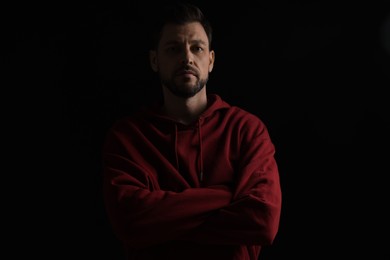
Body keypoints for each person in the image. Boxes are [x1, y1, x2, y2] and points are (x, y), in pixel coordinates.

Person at [101, 2, 282, 259]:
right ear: (155, 60)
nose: (186, 58)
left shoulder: (246, 130)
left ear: (210, 60)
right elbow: (131, 222)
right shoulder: (127, 138)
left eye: (197, 48)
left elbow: (263, 220)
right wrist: (228, 196)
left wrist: (165, 221)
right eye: (173, 49)